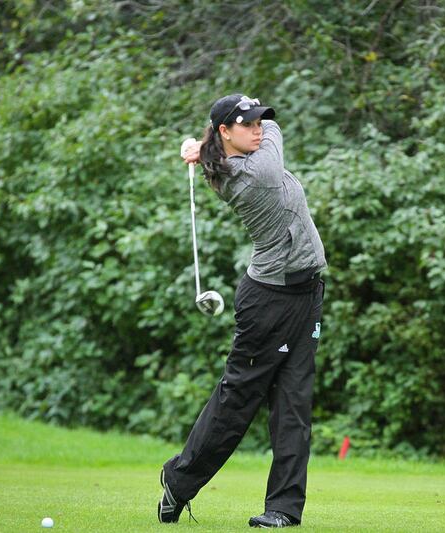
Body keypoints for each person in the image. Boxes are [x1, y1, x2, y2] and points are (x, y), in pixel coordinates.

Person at [158, 94, 327, 528]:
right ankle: (179, 480)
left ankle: (283, 510)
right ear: (225, 132)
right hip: (267, 302)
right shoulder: (256, 172)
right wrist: (204, 144)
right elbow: (276, 132)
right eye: (247, 123)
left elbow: (245, 134)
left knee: (294, 405)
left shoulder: (232, 158)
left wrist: (202, 145)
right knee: (239, 401)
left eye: (258, 121)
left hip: (305, 294)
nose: (258, 128)